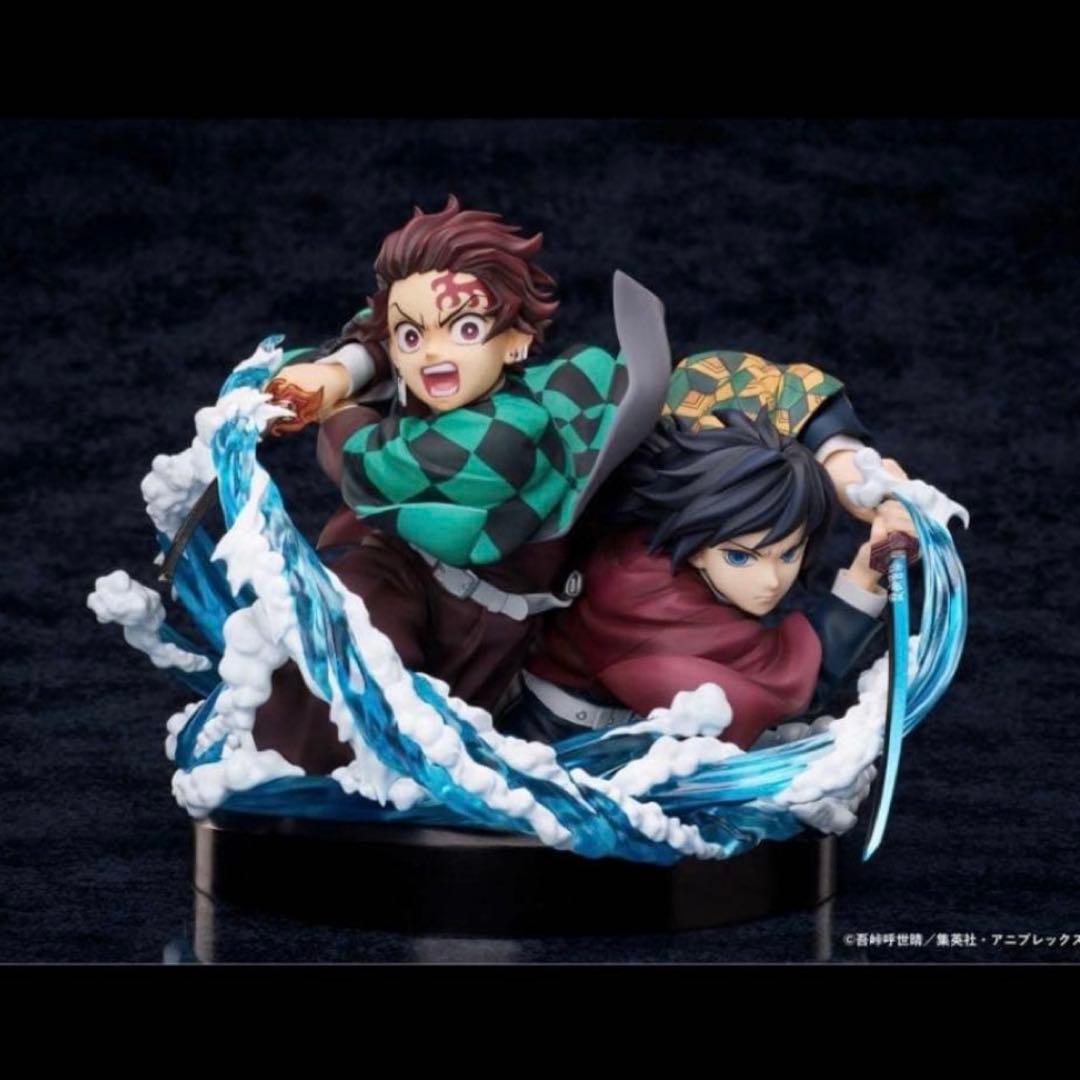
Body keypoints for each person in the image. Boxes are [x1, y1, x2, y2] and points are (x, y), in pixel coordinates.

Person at [251, 197, 670, 773]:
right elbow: (363, 342)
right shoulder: (472, 379)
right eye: (411, 337)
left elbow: (364, 460)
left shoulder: (507, 431)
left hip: (460, 631)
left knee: (354, 644)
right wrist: (338, 369)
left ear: (516, 340)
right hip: (407, 586)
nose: (434, 354)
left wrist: (335, 402)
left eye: (466, 328)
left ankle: (319, 778)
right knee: (319, 634)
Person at [499, 409, 912, 749]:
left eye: (789, 554)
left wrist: (841, 457)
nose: (771, 581)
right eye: (740, 556)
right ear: (697, 542)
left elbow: (743, 378)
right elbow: (788, 689)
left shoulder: (663, 535)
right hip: (563, 745)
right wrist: (863, 576)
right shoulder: (646, 597)